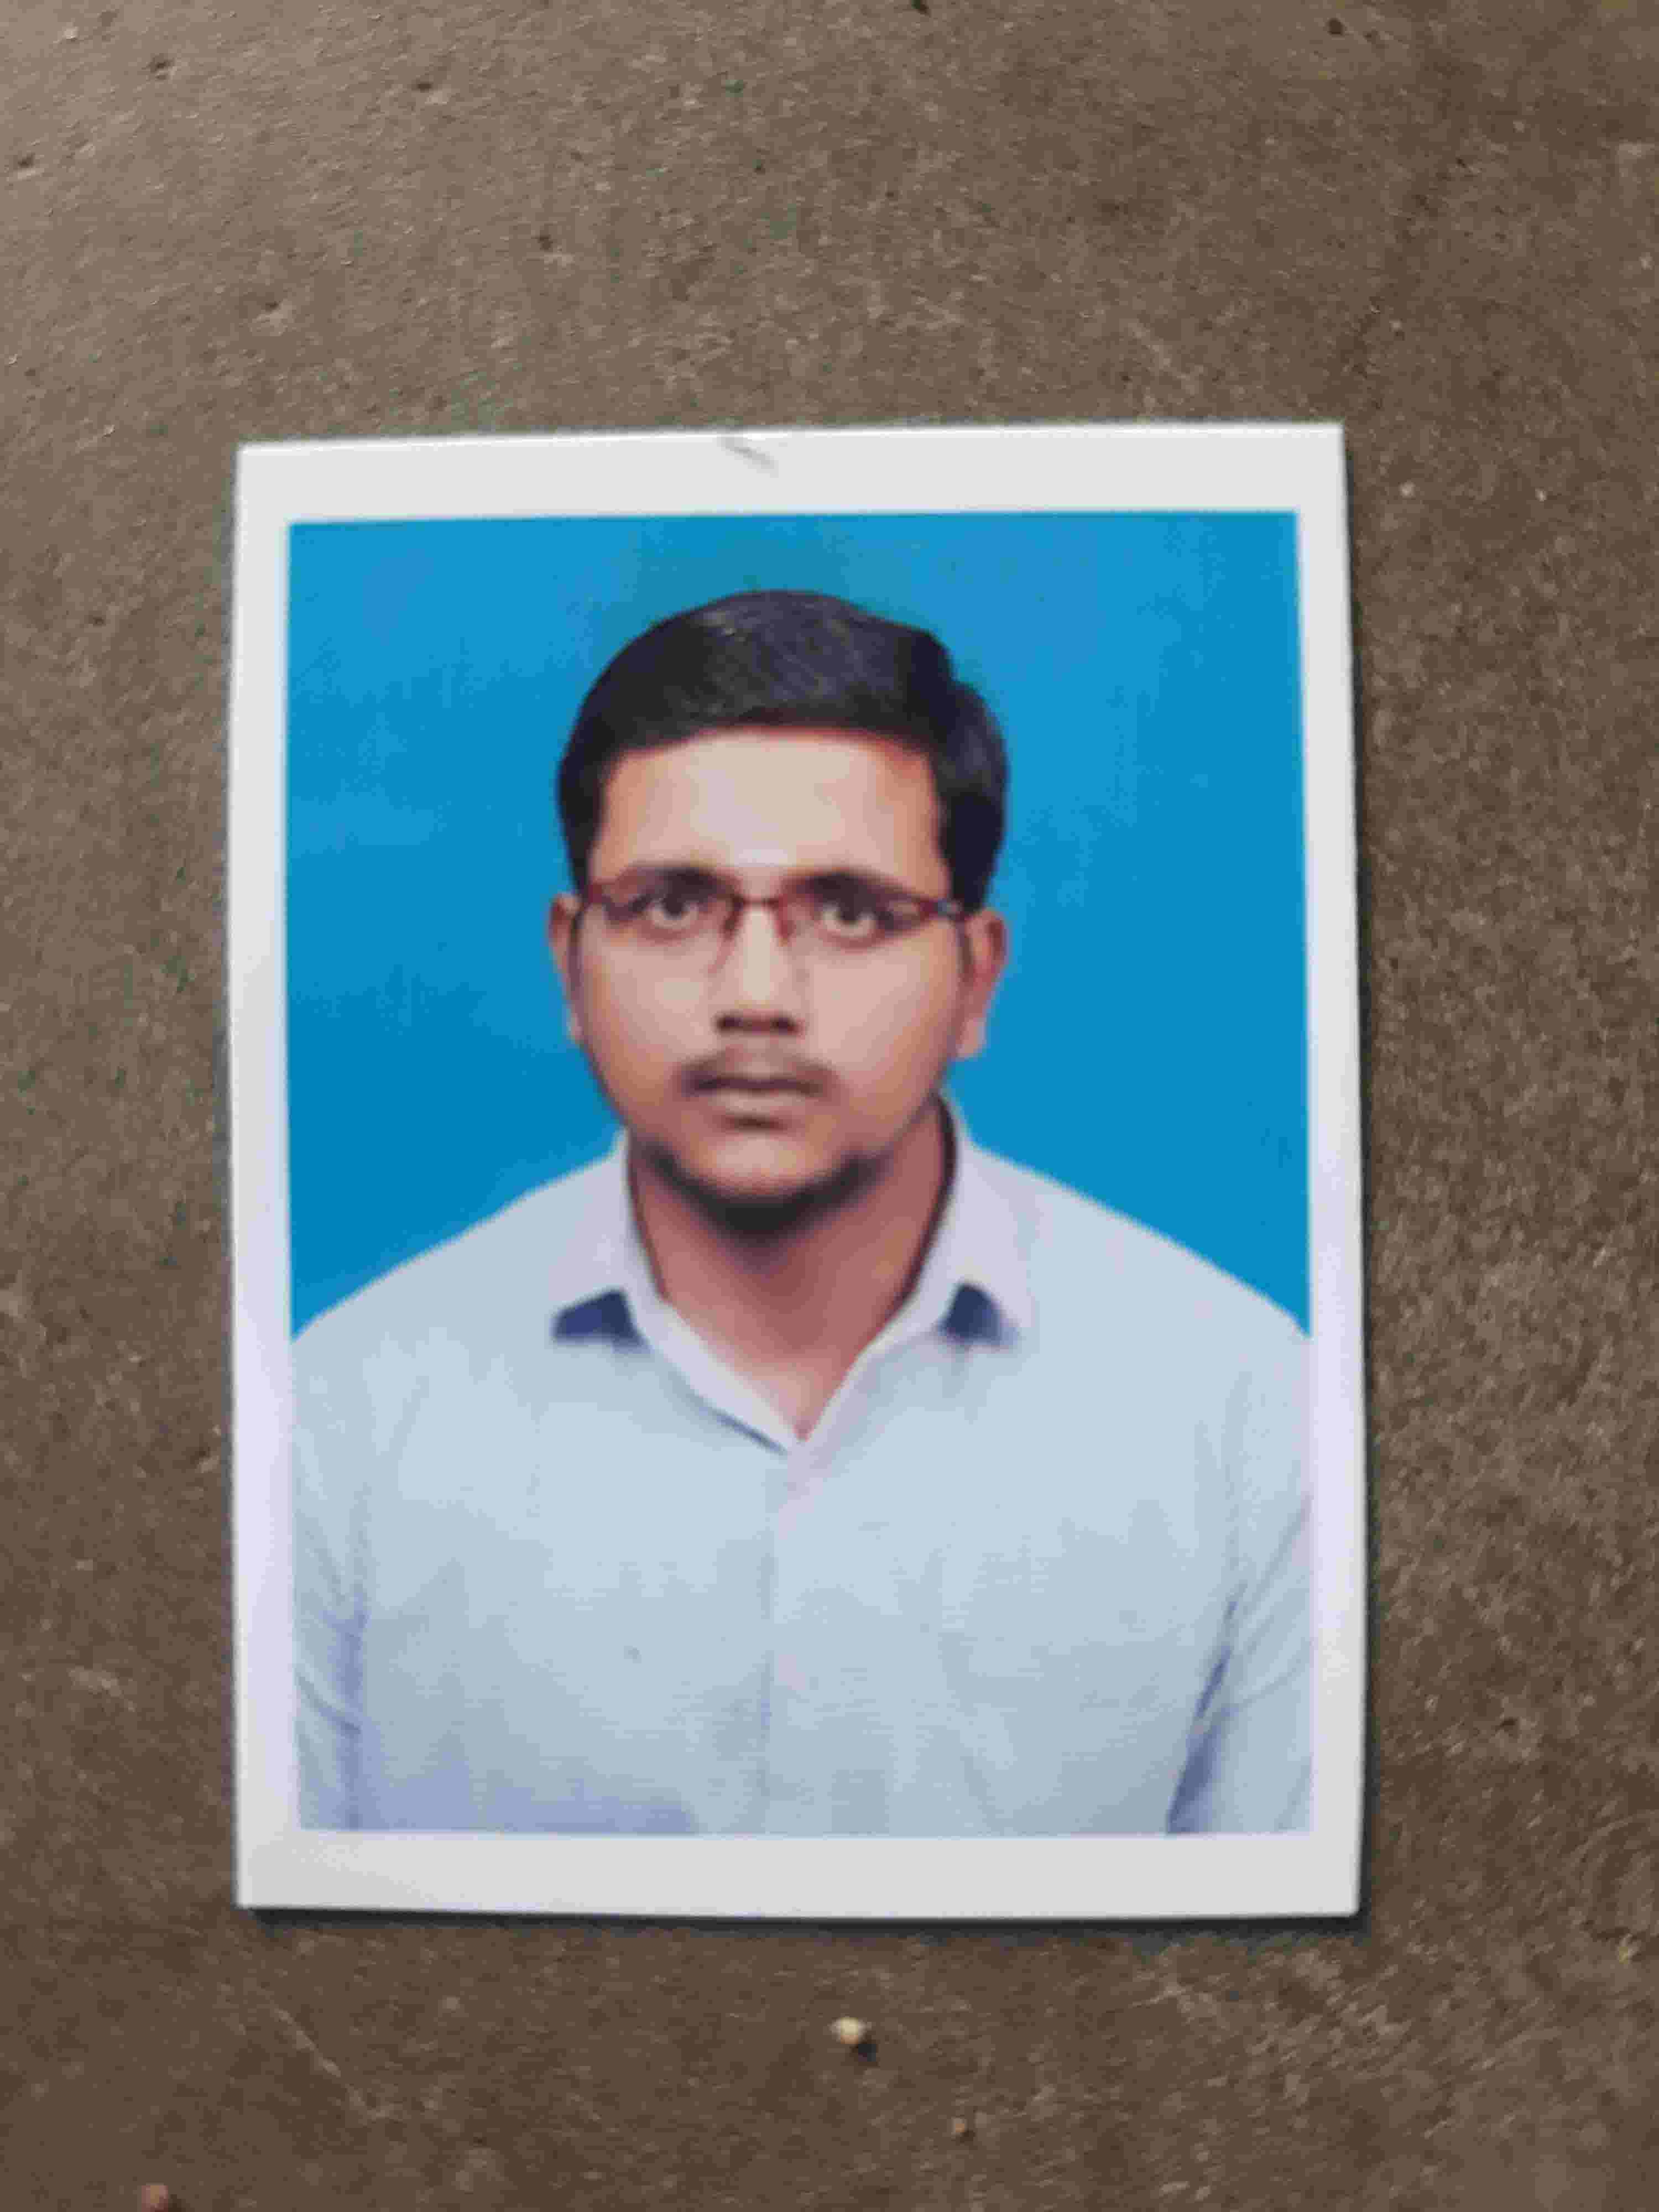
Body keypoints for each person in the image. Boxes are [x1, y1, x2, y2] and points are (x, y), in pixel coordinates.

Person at [293, 588, 1311, 1838]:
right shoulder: (344, 1418)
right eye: (673, 906)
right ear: (569, 962)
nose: (759, 995)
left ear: (976, 977)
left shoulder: (1243, 1413)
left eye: (852, 912)